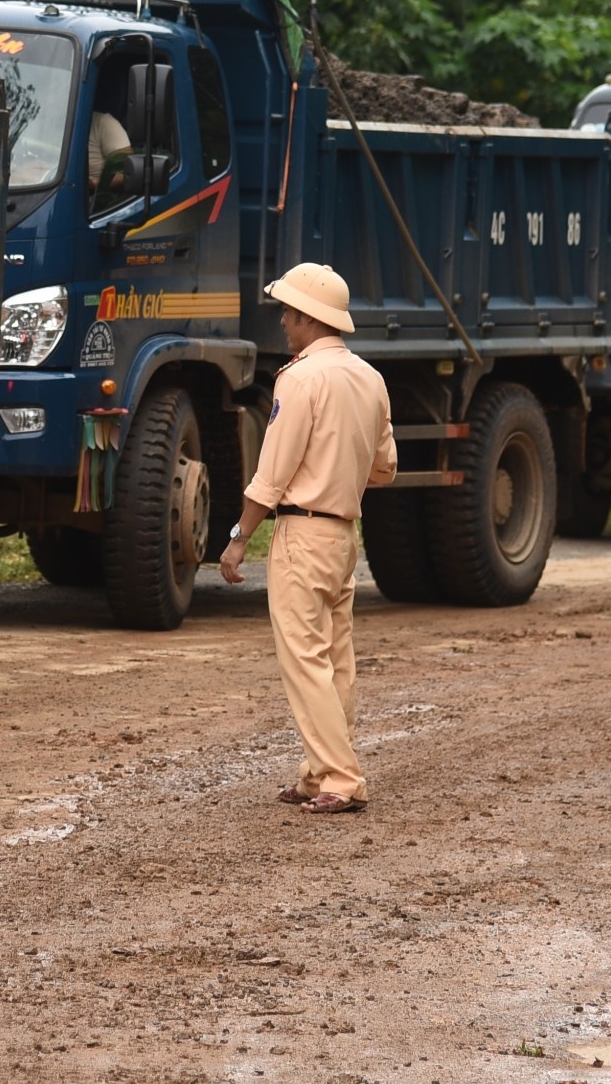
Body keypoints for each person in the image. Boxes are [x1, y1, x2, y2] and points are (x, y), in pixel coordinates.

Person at [218, 263, 397, 814]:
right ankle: (320, 773)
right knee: (336, 658)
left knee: (305, 660)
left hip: (302, 532)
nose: (282, 321)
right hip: (343, 534)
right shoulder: (370, 378)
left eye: (287, 312)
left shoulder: (299, 379)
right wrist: (339, 472)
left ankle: (340, 778)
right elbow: (385, 467)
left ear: (307, 317)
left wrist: (239, 536)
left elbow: (273, 472)